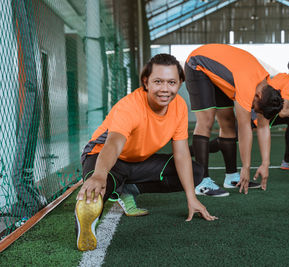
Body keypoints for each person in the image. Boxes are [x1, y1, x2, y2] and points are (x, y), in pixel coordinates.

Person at [75, 54, 216, 252]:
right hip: (103, 157)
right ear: (146, 82)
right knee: (94, 195)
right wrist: (99, 174)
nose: (165, 89)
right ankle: (88, 215)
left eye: (172, 82)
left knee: (195, 172)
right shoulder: (130, 106)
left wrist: (191, 198)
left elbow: (182, 154)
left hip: (138, 163)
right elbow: (114, 143)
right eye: (158, 81)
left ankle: (128, 189)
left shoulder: (179, 107)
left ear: (180, 83)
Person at [185, 44, 283, 197]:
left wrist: (265, 163)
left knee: (228, 122)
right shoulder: (248, 86)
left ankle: (231, 177)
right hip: (197, 64)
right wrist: (246, 167)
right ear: (257, 95)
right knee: (207, 120)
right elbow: (244, 129)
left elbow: (263, 127)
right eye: (253, 107)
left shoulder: (266, 88)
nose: (251, 110)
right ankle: (201, 181)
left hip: (224, 74)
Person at [198, 56, 289, 171]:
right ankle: (190, 151)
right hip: (256, 113)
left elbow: (288, 108)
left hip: (259, 113)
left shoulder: (283, 78)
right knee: (224, 142)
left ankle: (288, 161)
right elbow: (283, 112)